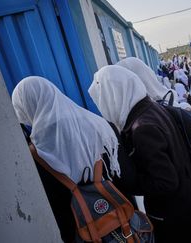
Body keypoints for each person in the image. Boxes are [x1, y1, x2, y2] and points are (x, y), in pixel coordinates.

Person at [90, 65, 191, 243]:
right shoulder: (150, 109)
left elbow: (166, 182)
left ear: (114, 96)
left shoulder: (142, 127)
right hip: (190, 204)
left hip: (176, 219)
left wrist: (130, 182)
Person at [12, 76, 121, 242]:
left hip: (79, 232)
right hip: (120, 220)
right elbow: (123, 175)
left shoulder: (34, 153)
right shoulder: (98, 125)